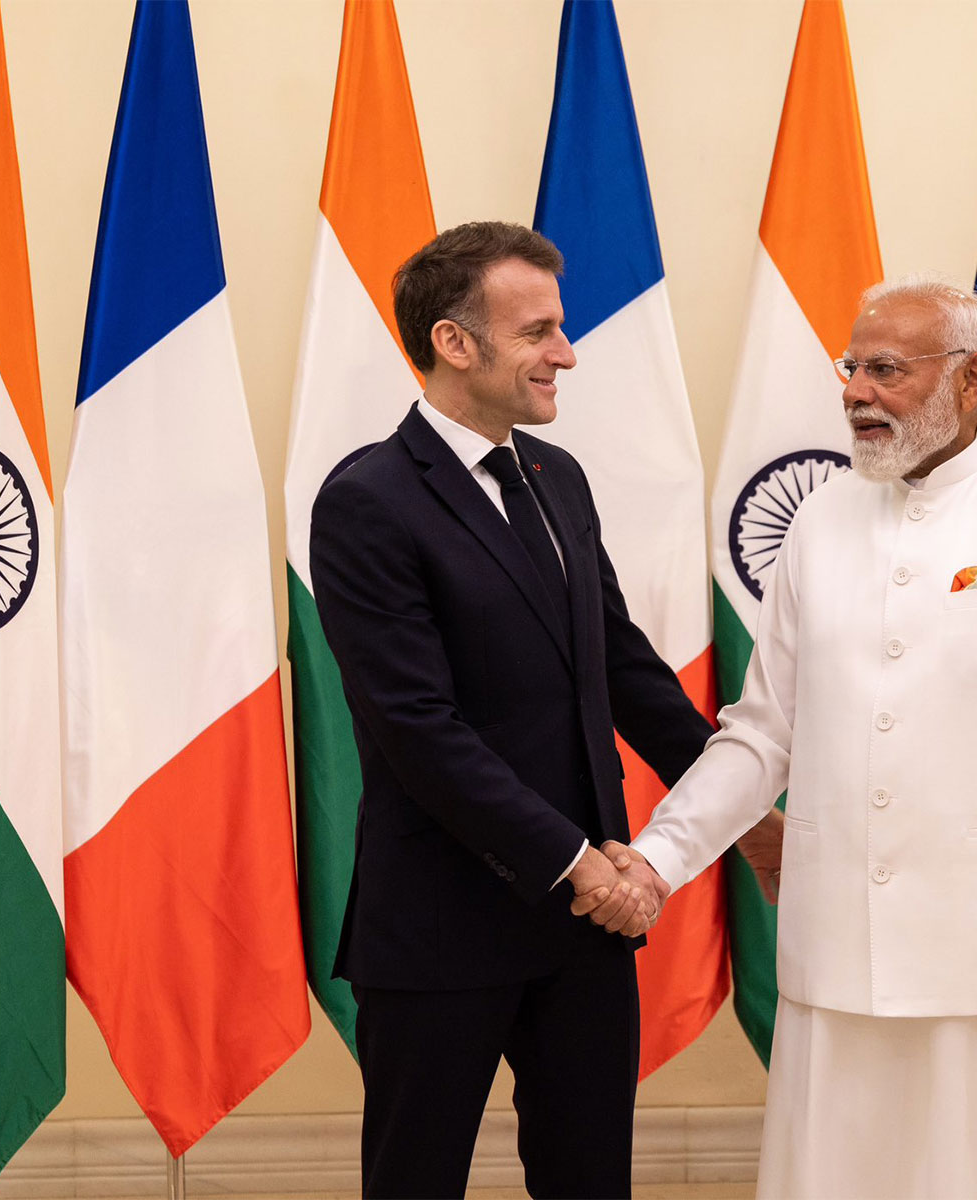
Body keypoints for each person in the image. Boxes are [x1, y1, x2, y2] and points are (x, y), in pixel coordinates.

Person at [597, 274, 977, 1199]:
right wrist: (658, 861)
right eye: (850, 368)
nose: (855, 393)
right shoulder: (819, 520)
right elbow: (760, 735)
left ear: (972, 379)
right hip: (838, 958)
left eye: (885, 371)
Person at [309, 221, 730, 1198]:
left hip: (583, 933)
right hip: (443, 926)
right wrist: (580, 865)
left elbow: (620, 667)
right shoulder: (367, 500)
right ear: (456, 343)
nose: (565, 353)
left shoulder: (555, 478)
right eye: (539, 330)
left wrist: (737, 809)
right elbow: (420, 731)